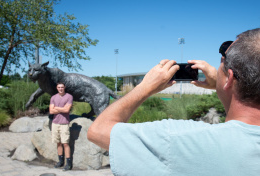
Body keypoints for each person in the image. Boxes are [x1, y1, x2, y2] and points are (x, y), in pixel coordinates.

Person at [87, 28, 260, 176]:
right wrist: (224, 86)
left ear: (229, 78)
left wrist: (145, 87)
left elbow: (98, 131)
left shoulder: (176, 139)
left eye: (222, 63)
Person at [49, 82, 73, 171]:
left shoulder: (69, 96)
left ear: (64, 87)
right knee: (58, 143)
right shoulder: (53, 97)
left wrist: (57, 108)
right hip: (55, 123)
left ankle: (69, 164)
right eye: (59, 87)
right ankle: (60, 161)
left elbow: (67, 110)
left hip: (64, 123)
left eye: (62, 87)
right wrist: (62, 109)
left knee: (65, 143)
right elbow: (51, 111)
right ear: (56, 88)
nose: (60, 89)